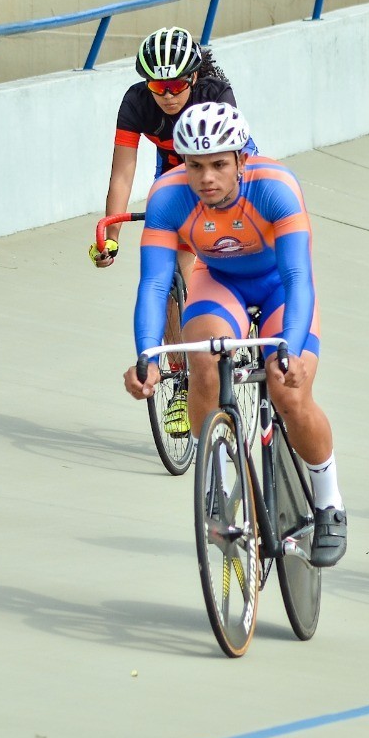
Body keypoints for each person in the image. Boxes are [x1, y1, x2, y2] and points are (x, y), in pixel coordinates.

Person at [122, 102, 347, 567]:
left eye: (219, 164)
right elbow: (155, 284)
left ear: (242, 160)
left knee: (291, 392)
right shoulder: (167, 196)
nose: (206, 178)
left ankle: (329, 502)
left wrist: (290, 349)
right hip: (219, 281)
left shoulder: (276, 188)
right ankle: (223, 483)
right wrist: (147, 355)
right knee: (202, 356)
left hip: (280, 286)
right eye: (195, 166)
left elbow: (299, 277)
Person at [91, 26, 256, 436]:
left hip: (221, 164)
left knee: (233, 238)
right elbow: (123, 172)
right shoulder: (135, 103)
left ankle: (244, 310)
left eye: (176, 84)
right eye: (156, 85)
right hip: (174, 171)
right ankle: (182, 380)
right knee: (173, 275)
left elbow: (231, 165)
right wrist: (112, 234)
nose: (166, 93)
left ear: (194, 77)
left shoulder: (216, 92)